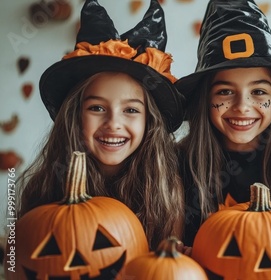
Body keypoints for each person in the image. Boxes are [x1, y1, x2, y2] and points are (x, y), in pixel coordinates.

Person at [17, 0, 185, 250]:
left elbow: (165, 266)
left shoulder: (166, 191)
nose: (113, 123)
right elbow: (22, 260)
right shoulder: (44, 186)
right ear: (74, 115)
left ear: (149, 122)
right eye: (97, 108)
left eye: (130, 110)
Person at [175, 0, 271, 247]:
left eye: (259, 92)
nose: (242, 106)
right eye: (225, 92)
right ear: (205, 100)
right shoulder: (177, 163)